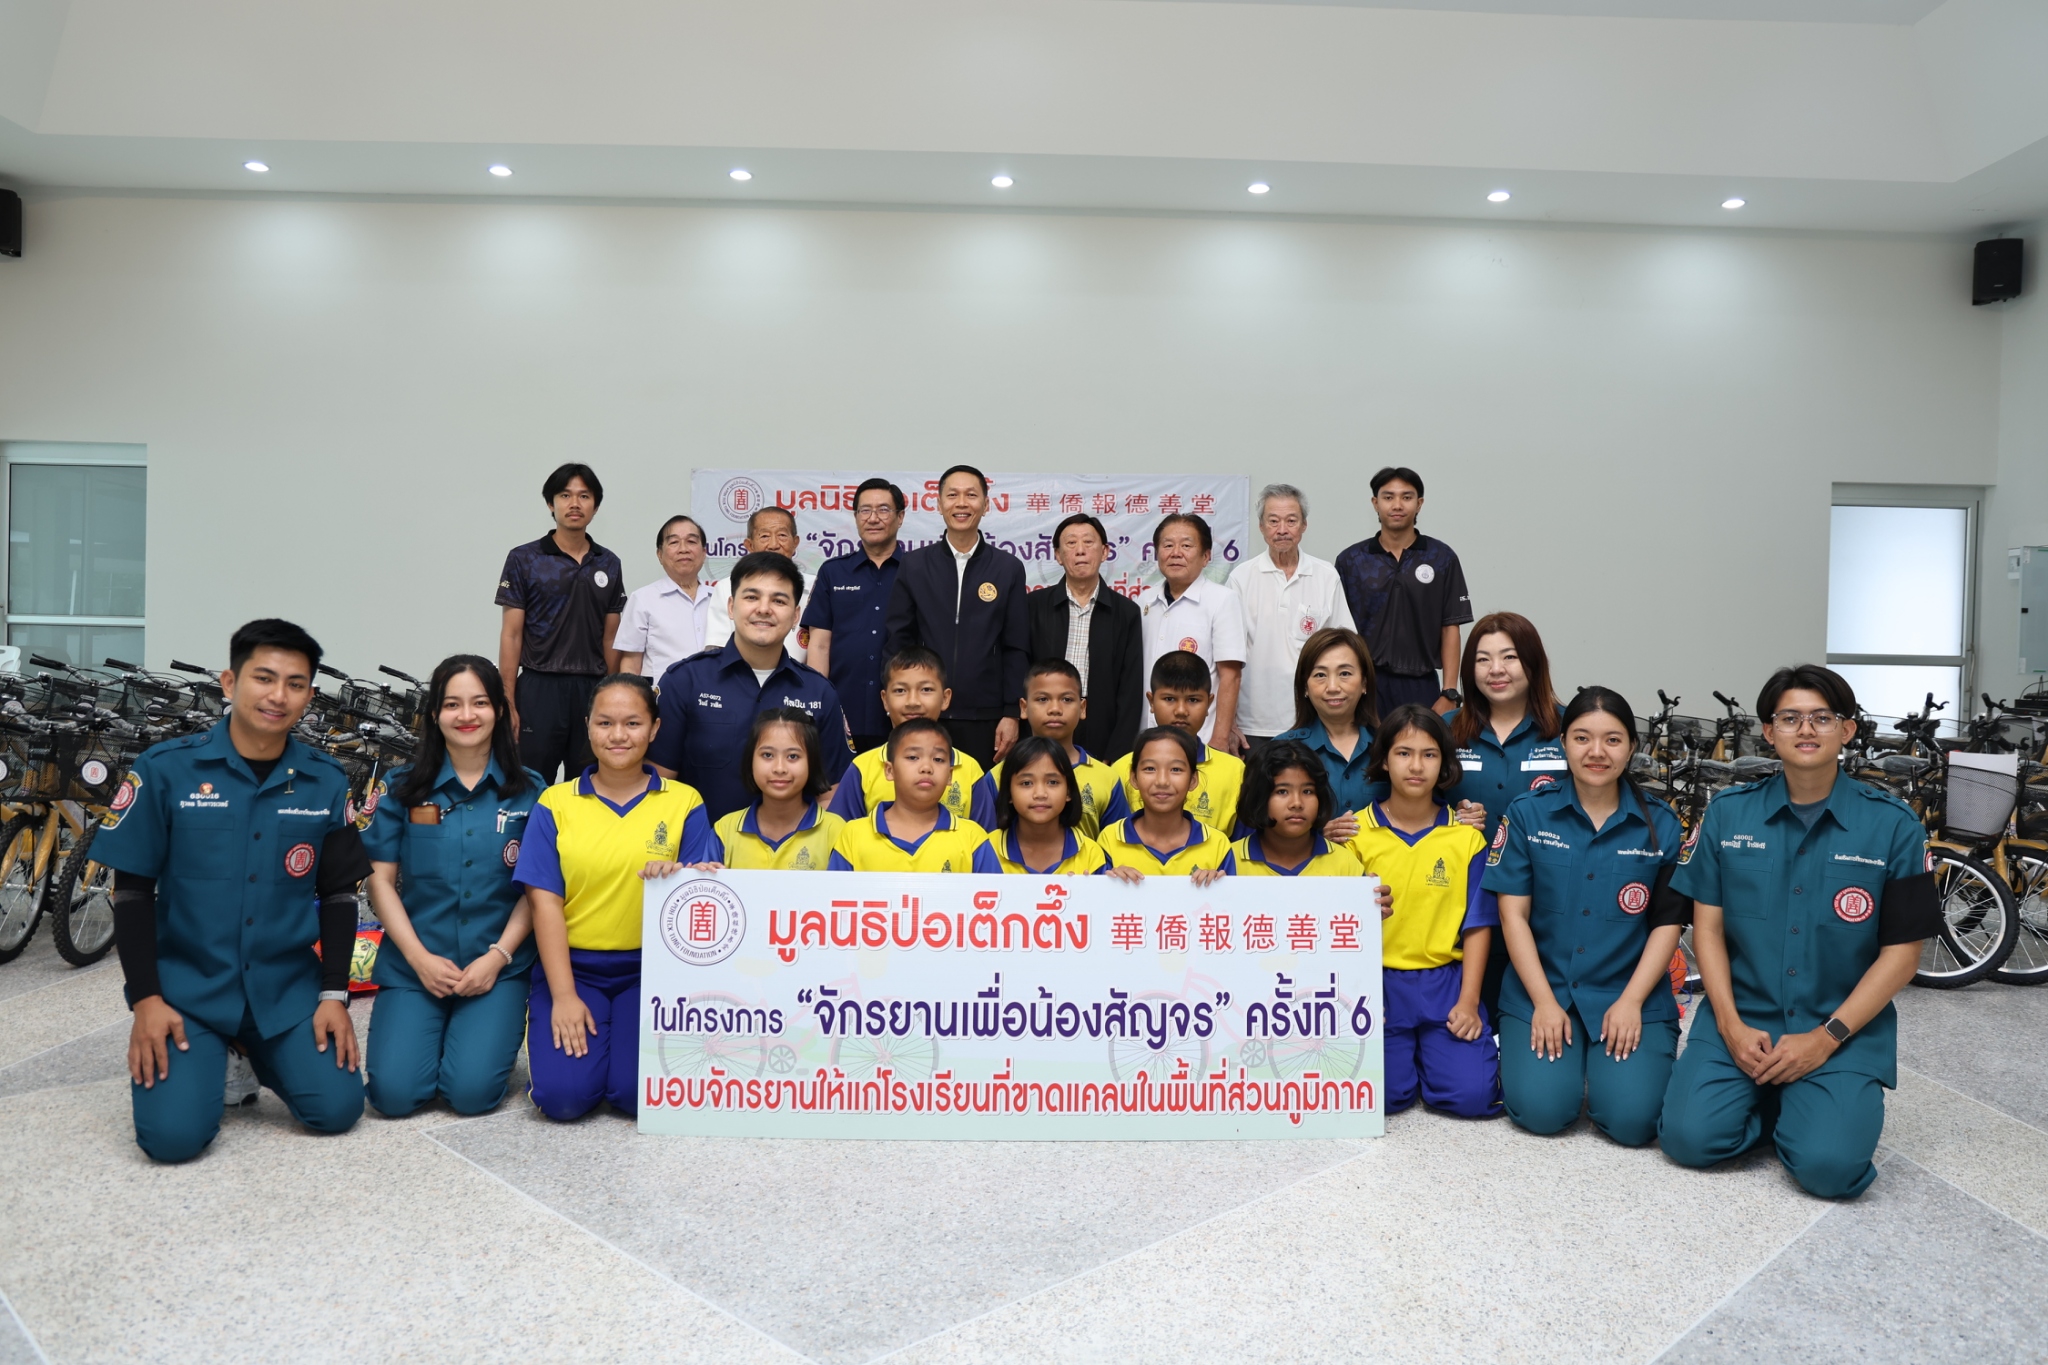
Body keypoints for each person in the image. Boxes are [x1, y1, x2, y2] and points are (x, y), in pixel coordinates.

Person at [1658, 665, 1936, 1199]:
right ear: (1769, 731)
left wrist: (1825, 1038)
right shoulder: (1727, 816)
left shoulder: (1894, 826)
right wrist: (1730, 1026)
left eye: (1821, 718)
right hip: (1743, 1018)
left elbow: (1902, 956)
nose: (1806, 729)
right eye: (1789, 718)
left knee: (1829, 1170)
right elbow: (1707, 931)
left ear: (1847, 730)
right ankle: (1777, 1103)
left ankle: (1806, 1104)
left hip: (1839, 1026)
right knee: (1689, 1140)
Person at [101, 619, 368, 1163]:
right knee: (172, 1140)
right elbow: (130, 894)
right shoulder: (167, 769)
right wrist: (146, 1000)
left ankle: (252, 1050)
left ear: (310, 696)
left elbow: (340, 895)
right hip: (189, 992)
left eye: (295, 684)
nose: (278, 696)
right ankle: (215, 1050)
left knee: (338, 1109)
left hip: (285, 991)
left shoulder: (325, 779)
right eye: (263, 678)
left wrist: (334, 996)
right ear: (229, 682)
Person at [1488, 687, 1688, 1147]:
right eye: (1582, 738)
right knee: (1542, 1111)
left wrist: (1632, 1002)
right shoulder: (1528, 815)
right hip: (1542, 987)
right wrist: (1543, 1002)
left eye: (1612, 740)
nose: (1596, 752)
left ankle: (1610, 1068)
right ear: (1563, 743)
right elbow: (1513, 916)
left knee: (1633, 1121)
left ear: (1632, 747)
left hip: (1628, 990)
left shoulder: (1661, 825)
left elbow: (1667, 924)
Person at [512, 673, 716, 1121]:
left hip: (653, 972)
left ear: (655, 729)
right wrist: (564, 995)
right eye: (605, 723)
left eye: (633, 723)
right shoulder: (555, 803)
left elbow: (706, 892)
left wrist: (680, 876)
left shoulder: (685, 802)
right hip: (573, 968)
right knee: (563, 1099)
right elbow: (544, 903)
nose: (618, 735)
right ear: (587, 726)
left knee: (637, 1096)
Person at [360, 656, 541, 1119]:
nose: (466, 715)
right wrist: (419, 959)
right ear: (434, 714)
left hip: (496, 964)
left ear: (499, 710)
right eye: (452, 704)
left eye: (479, 703)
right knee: (394, 1095)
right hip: (415, 961)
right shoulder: (402, 788)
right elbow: (379, 881)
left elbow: (536, 890)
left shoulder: (531, 792)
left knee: (471, 1094)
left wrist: (497, 957)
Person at [1347, 704, 1500, 1119]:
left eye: (1429, 754)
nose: (1416, 766)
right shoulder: (1356, 836)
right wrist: (1356, 994)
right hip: (1378, 983)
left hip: (1446, 983)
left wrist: (1469, 1001)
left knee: (1471, 1096)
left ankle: (1438, 1058)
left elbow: (1478, 925)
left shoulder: (1466, 838)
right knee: (1379, 1099)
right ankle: (1409, 1064)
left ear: (1444, 763)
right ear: (1383, 760)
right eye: (1403, 753)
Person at [647, 551, 852, 821]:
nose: (764, 609)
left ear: (796, 616)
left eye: (779, 600)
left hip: (792, 845)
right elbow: (659, 784)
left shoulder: (819, 692)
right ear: (731, 607)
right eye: (752, 597)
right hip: (700, 845)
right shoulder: (685, 681)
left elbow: (830, 794)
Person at [884, 464, 1030, 768]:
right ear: (938, 504)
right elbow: (898, 639)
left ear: (986, 505)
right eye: (952, 495)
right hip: (924, 710)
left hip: (987, 717)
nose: (961, 503)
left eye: (971, 495)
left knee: (978, 793)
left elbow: (1016, 646)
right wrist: (898, 702)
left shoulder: (1008, 568)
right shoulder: (914, 565)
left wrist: (1011, 713)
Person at [496, 463, 627, 782]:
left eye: (584, 496)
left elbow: (611, 638)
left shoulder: (609, 563)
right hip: (539, 689)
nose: (574, 503)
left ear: (595, 506)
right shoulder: (524, 559)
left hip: (591, 691)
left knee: (590, 785)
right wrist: (508, 701)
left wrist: (611, 697)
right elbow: (512, 635)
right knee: (528, 783)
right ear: (550, 503)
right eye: (565, 495)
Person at [1227, 485, 1355, 755]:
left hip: (1314, 718)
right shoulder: (1241, 577)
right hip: (1253, 722)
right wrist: (1228, 721)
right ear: (1261, 527)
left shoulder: (1325, 576)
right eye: (1273, 521)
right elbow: (1228, 654)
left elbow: (1345, 647)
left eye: (1291, 521)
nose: (1282, 529)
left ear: (1304, 525)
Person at [1334, 467, 1472, 717]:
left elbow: (1450, 627)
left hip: (1422, 684)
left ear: (1419, 504)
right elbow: (1340, 631)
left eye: (1406, 497)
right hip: (1364, 684)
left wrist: (1449, 692)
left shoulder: (1442, 557)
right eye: (1388, 497)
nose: (1397, 505)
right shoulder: (1350, 561)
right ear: (1375, 503)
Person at [828, 646, 997, 829]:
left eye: (926, 689)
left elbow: (984, 839)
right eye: (900, 690)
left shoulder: (969, 770)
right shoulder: (862, 768)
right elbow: (840, 835)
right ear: (885, 699)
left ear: (945, 698)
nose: (913, 701)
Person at [1026, 513, 1145, 761]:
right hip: (1044, 724)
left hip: (1101, 727)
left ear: (1105, 552)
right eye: (1071, 543)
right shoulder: (1032, 606)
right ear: (1058, 555)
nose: (1080, 550)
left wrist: (1117, 753)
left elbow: (1130, 690)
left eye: (1089, 542)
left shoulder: (1126, 612)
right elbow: (1020, 673)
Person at [802, 478, 905, 753]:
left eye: (883, 510)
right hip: (842, 710)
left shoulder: (918, 571)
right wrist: (818, 703)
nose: (873, 518)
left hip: (902, 713)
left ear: (900, 517)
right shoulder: (833, 572)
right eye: (864, 510)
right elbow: (819, 645)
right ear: (856, 517)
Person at [828, 718, 1001, 872]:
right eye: (912, 757)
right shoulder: (853, 835)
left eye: (938, 759)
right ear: (889, 770)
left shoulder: (973, 838)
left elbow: (993, 895)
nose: (926, 767)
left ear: (950, 775)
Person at [1447, 612, 1565, 835]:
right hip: (1465, 856)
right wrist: (1449, 815)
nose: (1496, 669)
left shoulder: (1570, 727)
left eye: (1509, 657)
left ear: (1533, 662)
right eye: (1483, 659)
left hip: (1544, 857)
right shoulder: (1444, 729)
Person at [1136, 513, 1246, 751]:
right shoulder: (1144, 601)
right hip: (1147, 736)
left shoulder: (1222, 600)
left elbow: (1231, 676)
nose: (1176, 553)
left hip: (1202, 738)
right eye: (1168, 545)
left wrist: (1219, 739)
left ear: (1206, 556)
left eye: (1186, 546)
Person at [1109, 651, 1245, 834]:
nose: (1181, 711)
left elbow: (1241, 842)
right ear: (1151, 701)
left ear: (1209, 703)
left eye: (1193, 700)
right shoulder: (1123, 768)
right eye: (1169, 699)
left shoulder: (1234, 771)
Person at [999, 658, 1129, 838]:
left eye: (1067, 699)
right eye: (1043, 699)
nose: (1055, 709)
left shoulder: (1107, 778)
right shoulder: (999, 775)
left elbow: (1117, 843)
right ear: (1024, 707)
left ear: (1082, 708)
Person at [1271, 627, 1382, 834]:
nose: (1332, 687)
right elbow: (1261, 828)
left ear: (1364, 683)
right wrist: (1314, 838)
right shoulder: (1280, 750)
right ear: (1305, 687)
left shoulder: (1390, 747)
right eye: (1320, 675)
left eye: (1345, 674)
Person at [706, 709, 844, 871]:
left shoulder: (836, 830)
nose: (779, 768)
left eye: (793, 756)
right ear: (750, 761)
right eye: (767, 755)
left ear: (811, 763)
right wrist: (704, 874)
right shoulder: (725, 830)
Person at [1099, 727, 1237, 882]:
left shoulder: (1217, 844)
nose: (1162, 781)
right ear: (1134, 777)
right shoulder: (1110, 839)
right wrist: (1112, 881)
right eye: (1150, 769)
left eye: (1176, 769)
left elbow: (1231, 896)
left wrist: (1217, 885)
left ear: (1193, 780)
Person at [1230, 740, 1368, 877]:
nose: (1297, 803)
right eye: (1282, 791)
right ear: (1259, 796)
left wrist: (1371, 890)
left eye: (1307, 791)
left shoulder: (1344, 863)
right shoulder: (1229, 860)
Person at [987, 735, 1114, 875]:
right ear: (1009, 793)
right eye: (1026, 783)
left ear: (1069, 791)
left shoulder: (1089, 852)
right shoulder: (987, 848)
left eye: (1052, 782)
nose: (1040, 794)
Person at [707, 505, 817, 662]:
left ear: (795, 542)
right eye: (764, 536)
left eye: (782, 535)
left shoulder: (817, 587)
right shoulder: (726, 587)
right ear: (750, 545)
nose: (773, 545)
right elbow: (717, 650)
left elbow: (823, 648)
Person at [615, 515, 714, 683]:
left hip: (714, 695)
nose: (683, 549)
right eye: (674, 542)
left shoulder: (720, 598)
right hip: (662, 695)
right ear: (659, 554)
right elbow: (631, 663)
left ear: (704, 553)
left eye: (691, 541)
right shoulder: (642, 599)